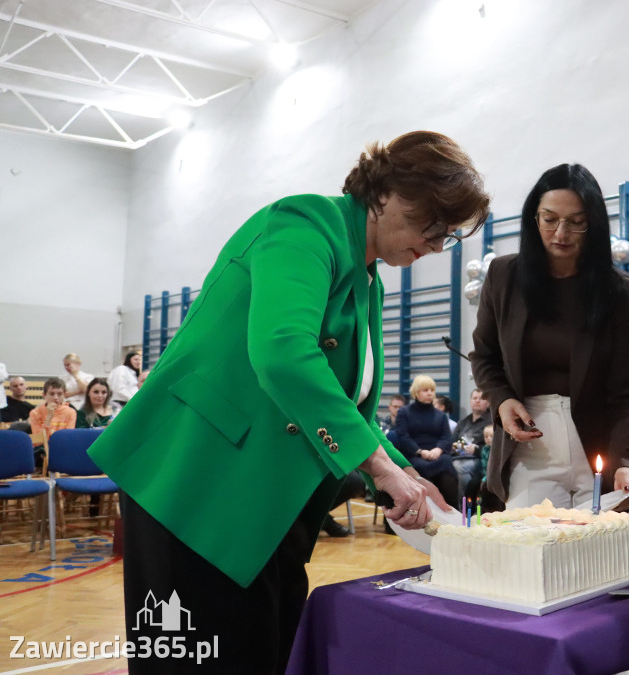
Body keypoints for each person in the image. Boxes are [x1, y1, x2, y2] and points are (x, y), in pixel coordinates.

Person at [87, 131, 490, 674]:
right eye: (434, 226)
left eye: (449, 235)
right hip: (198, 486)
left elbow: (351, 409)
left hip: (266, 505)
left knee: (265, 655)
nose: (438, 245)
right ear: (388, 193)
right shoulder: (304, 224)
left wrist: (401, 476)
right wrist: (377, 465)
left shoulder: (367, 282)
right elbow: (282, 352)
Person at [471, 163, 629, 510]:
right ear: (533, 218)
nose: (561, 233)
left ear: (594, 224)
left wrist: (628, 462)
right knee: (529, 547)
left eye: (576, 221)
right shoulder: (503, 276)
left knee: (601, 555)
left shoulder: (618, 291)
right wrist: (502, 399)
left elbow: (628, 394)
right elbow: (484, 355)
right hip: (530, 443)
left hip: (601, 447)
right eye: (550, 219)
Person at [392, 375, 459, 507]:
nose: (430, 393)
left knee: (447, 470)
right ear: (416, 392)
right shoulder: (404, 412)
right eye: (425, 390)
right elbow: (403, 437)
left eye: (432, 390)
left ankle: (452, 512)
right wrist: (420, 452)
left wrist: (438, 449)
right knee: (421, 469)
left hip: (437, 455)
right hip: (414, 455)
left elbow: (446, 437)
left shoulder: (440, 415)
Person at [451, 388, 490, 500]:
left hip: (478, 458)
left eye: (482, 398)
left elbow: (492, 447)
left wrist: (476, 449)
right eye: (475, 398)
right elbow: (452, 442)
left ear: (487, 403)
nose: (477, 401)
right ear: (470, 401)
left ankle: (467, 502)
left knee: (460, 467)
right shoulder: (463, 422)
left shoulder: (490, 422)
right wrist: (456, 447)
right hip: (458, 456)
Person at [28, 377, 78, 447]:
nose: (55, 398)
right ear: (44, 395)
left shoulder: (70, 412)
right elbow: (39, 442)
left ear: (64, 395)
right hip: (41, 451)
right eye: (51, 394)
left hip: (62, 448)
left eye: (59, 394)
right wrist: (49, 416)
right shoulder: (35, 413)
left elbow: (68, 438)